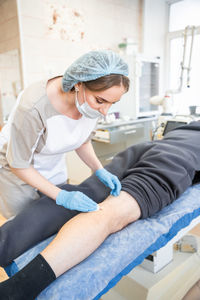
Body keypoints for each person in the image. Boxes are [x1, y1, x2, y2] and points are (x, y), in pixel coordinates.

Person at [0, 121, 200, 300]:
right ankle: (17, 290)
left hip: (151, 147)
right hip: (179, 158)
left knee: (85, 193)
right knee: (112, 213)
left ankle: (4, 243)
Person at [0, 50, 129, 219]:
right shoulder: (33, 107)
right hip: (17, 170)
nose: (105, 111)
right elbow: (18, 163)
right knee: (26, 224)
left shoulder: (89, 106)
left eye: (112, 103)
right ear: (79, 84)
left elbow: (82, 141)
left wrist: (99, 169)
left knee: (54, 219)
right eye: (100, 101)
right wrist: (62, 196)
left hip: (53, 164)